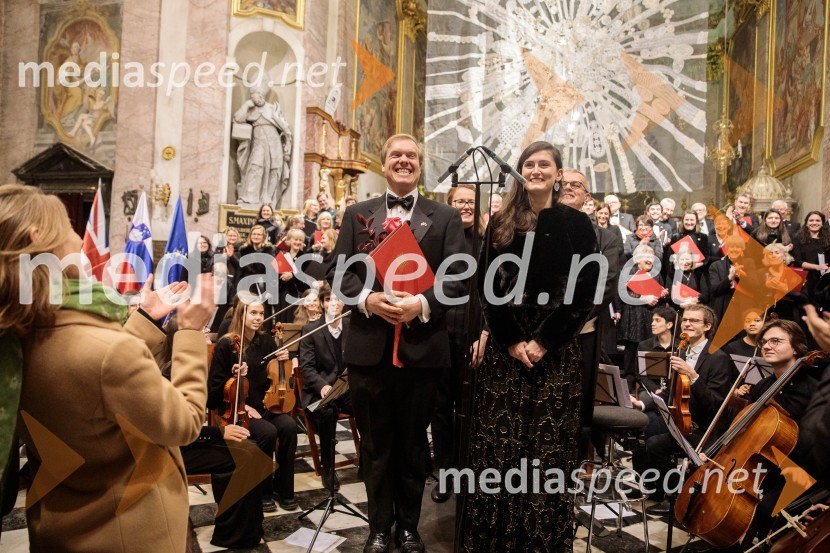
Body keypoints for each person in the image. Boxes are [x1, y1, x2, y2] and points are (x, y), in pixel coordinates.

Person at [0, 184, 215, 552]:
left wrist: (144, 318)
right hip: (126, 530)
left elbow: (92, 374)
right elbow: (185, 422)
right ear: (39, 238)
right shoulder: (105, 352)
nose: (77, 235)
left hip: (61, 524)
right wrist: (191, 333)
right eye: (69, 225)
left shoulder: (19, 333)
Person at [327, 133, 466, 553]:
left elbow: (457, 277)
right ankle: (378, 528)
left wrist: (420, 304)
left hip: (421, 350)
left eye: (411, 156)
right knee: (374, 446)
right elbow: (339, 272)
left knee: (412, 444)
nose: (403, 161)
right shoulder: (357, 214)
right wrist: (367, 300)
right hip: (369, 349)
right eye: (395, 155)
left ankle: (408, 528)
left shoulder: (444, 216)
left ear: (420, 165)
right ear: (384, 163)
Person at [460, 142, 599, 551]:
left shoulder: (576, 224)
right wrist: (511, 340)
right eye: (529, 164)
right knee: (500, 449)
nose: (536, 170)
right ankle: (495, 540)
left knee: (546, 450)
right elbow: (486, 288)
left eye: (544, 164)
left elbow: (584, 292)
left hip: (555, 355)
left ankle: (539, 541)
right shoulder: (502, 222)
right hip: (505, 355)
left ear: (558, 174)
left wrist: (543, 341)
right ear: (519, 173)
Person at [632, 305, 737, 514]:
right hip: (684, 422)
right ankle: (668, 492)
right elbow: (671, 391)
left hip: (707, 430)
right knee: (645, 444)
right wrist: (644, 403)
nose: (687, 324)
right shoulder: (682, 351)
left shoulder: (718, 358)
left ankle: (680, 497)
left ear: (707, 326)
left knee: (656, 444)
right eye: (685, 320)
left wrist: (693, 375)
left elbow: (715, 405)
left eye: (694, 321)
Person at [207, 299, 297, 513]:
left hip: (264, 404)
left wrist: (284, 359)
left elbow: (275, 374)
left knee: (289, 427)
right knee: (268, 432)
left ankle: (284, 489)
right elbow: (213, 392)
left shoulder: (265, 341)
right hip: (237, 410)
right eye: (253, 313)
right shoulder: (226, 344)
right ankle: (263, 492)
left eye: (261, 313)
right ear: (242, 314)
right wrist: (241, 400)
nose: (258, 318)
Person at [430, 184, 484, 503]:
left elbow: (495, 294)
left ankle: (468, 471)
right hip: (439, 331)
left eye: (470, 202)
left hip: (473, 333)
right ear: (449, 205)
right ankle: (445, 472)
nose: (465, 206)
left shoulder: (488, 242)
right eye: (459, 201)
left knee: (469, 407)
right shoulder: (438, 240)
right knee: (440, 407)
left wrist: (484, 335)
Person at [298, 290, 352, 490]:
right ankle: (328, 467)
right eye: (329, 299)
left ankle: (368, 461)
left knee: (369, 405)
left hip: (345, 389)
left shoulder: (351, 326)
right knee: (327, 412)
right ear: (322, 303)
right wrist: (322, 385)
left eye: (338, 299)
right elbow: (307, 368)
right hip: (319, 391)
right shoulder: (311, 329)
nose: (334, 303)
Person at [234, 86, 292, 208]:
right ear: (252, 96)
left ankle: (269, 198)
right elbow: (238, 119)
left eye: (261, 94)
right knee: (256, 166)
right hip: (259, 141)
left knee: (275, 169)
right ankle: (250, 197)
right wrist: (246, 105)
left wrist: (287, 145)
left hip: (274, 141)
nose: (259, 97)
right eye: (256, 95)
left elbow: (285, 128)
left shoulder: (272, 108)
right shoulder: (250, 109)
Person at [793, 211, 830, 302]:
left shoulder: (828, 239)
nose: (814, 223)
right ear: (806, 223)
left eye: (818, 220)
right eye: (811, 220)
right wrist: (817, 267)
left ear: (822, 223)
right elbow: (797, 261)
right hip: (806, 278)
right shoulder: (797, 239)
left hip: (824, 278)